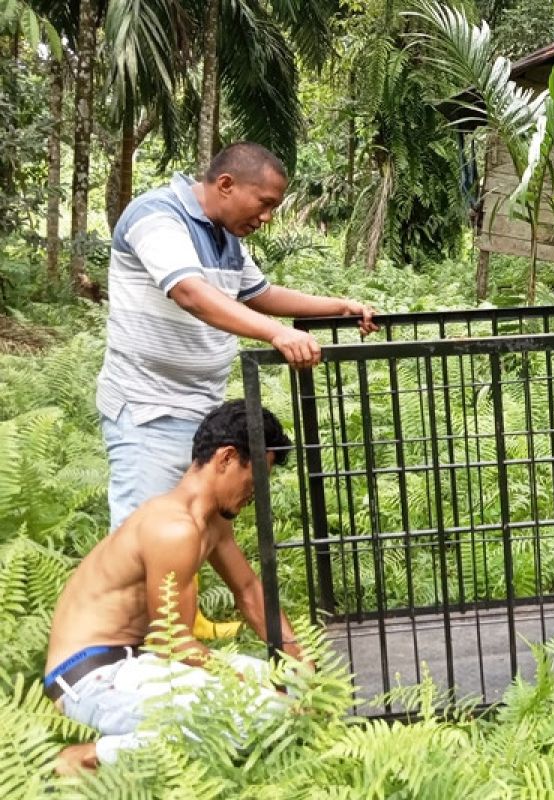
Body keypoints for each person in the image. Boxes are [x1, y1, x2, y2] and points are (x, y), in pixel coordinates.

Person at [98, 142, 378, 635]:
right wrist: (277, 334)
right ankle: (123, 657)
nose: (268, 217)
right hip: (148, 408)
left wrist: (336, 306)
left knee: (198, 526)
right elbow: (188, 290)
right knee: (139, 540)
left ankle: (183, 624)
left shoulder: (226, 237)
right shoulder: (156, 216)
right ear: (226, 185)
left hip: (202, 408)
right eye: (265, 203)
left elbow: (260, 295)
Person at [45, 401, 303, 774]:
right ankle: (86, 758)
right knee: (267, 716)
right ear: (227, 458)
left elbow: (248, 591)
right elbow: (173, 642)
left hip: (138, 663)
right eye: (255, 479)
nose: (256, 493)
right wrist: (243, 682)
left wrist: (296, 656)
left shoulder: (211, 522)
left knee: (298, 685)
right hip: (92, 678)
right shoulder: (173, 528)